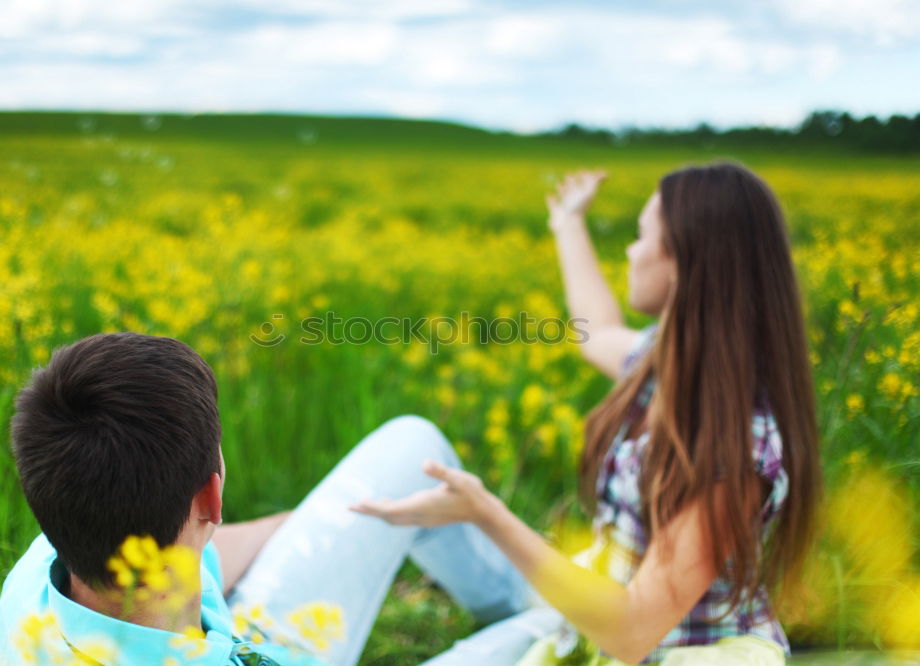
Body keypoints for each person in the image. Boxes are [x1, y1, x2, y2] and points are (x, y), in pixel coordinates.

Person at [351, 162, 822, 665]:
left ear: (685, 261)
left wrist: (486, 513)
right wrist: (567, 223)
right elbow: (594, 330)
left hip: (688, 652)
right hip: (596, 617)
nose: (630, 251)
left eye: (642, 237)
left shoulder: (741, 446)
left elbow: (635, 631)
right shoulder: (661, 366)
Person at [0, 333, 530, 665]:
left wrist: (320, 517)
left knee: (411, 447)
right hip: (277, 651)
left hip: (228, 637)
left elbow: (212, 553)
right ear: (211, 496)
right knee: (558, 625)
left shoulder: (36, 577)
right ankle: (529, 605)